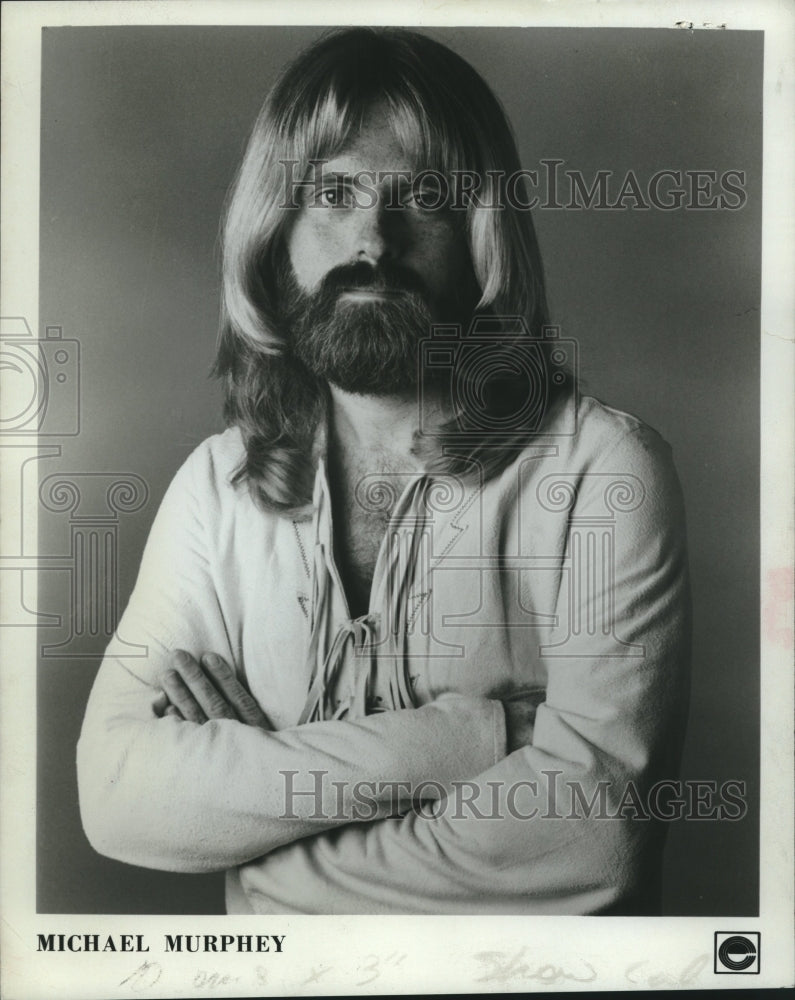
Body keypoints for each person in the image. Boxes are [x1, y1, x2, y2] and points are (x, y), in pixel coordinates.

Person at [77, 27, 691, 915]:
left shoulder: (603, 473)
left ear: (483, 234)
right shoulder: (218, 490)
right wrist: (475, 742)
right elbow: (119, 796)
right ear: (273, 230)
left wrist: (267, 848)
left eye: (425, 197)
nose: (373, 240)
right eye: (332, 193)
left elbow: (593, 839)